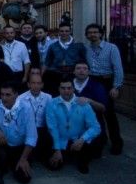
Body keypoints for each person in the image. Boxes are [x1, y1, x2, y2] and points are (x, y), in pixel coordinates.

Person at [0, 82, 37, 184]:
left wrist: (23, 158)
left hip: (19, 147)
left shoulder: (26, 108)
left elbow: (32, 137)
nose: (4, 98)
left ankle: (6, 165)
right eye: (2, 94)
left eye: (8, 95)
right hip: (3, 144)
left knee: (24, 178)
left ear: (16, 95)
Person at [45, 77, 101, 174]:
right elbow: (52, 128)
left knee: (85, 162)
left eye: (69, 88)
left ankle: (81, 158)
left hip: (79, 140)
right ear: (58, 89)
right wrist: (57, 149)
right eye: (63, 88)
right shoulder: (51, 104)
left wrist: (82, 139)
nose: (66, 91)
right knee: (53, 166)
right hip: (61, 140)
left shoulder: (83, 104)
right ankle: (63, 154)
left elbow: (96, 127)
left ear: (73, 88)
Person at [85, 23, 124, 155]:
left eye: (95, 32)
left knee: (109, 113)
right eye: (90, 32)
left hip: (107, 81)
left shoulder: (111, 48)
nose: (93, 34)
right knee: (95, 113)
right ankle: (101, 140)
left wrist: (116, 86)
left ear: (101, 34)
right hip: (93, 81)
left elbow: (118, 68)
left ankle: (117, 142)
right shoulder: (87, 49)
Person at [73, 61, 108, 153]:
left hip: (92, 125)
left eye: (85, 68)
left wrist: (90, 101)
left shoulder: (97, 86)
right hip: (72, 125)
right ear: (74, 71)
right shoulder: (68, 85)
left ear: (89, 72)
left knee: (94, 153)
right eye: (78, 68)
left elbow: (103, 108)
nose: (81, 71)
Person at [43, 23, 86, 97]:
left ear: (70, 31)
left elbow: (84, 60)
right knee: (56, 95)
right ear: (59, 32)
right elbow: (47, 62)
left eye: (66, 31)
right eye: (62, 31)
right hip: (56, 74)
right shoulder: (53, 46)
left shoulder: (78, 45)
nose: (64, 33)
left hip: (72, 75)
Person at [17, 74, 53, 161]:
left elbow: (51, 117)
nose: (36, 86)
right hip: (27, 130)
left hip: (42, 130)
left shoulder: (48, 97)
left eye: (38, 83)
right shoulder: (20, 98)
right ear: (28, 84)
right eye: (33, 83)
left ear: (42, 85)